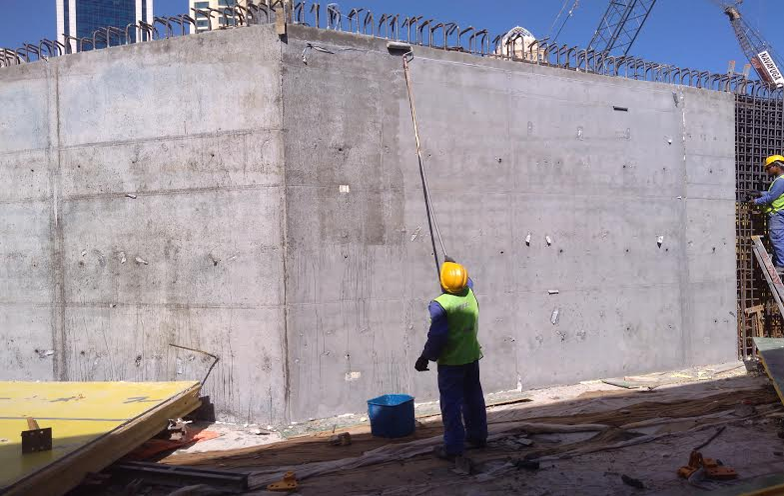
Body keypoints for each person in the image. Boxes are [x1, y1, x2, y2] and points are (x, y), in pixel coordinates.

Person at [415, 257, 487, 460]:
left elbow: (437, 336)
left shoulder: (440, 305)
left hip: (451, 363)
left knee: (451, 405)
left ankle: (453, 448)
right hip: (471, 357)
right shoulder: (469, 293)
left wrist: (425, 357)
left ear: (443, 282)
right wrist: (453, 264)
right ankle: (478, 437)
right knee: (474, 399)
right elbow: (467, 281)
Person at [753, 155, 784, 271]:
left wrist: (755, 201)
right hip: (779, 214)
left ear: (776, 166)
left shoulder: (780, 181)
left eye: (768, 168)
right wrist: (760, 193)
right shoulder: (781, 180)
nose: (767, 171)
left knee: (777, 239)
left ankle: (781, 264)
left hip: (777, 215)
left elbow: (771, 197)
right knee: (779, 239)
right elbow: (775, 194)